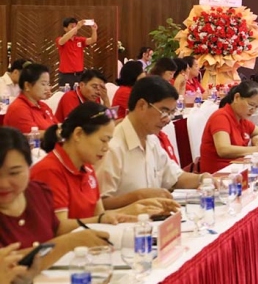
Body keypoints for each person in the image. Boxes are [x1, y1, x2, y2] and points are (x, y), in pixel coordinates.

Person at [30, 102, 176, 222]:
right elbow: (60, 228)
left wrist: (139, 207)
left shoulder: (87, 167)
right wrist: (126, 209)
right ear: (78, 134)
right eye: (103, 140)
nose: (106, 148)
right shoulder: (49, 170)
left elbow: (99, 215)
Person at [0, 127, 112, 274]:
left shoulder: (38, 192)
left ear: (29, 167)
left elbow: (55, 229)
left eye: (14, 173)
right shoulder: (50, 171)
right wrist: (69, 243)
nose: (3, 183)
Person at [99, 77, 213, 209]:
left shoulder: (152, 140)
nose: (168, 120)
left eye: (171, 113)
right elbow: (99, 205)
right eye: (164, 112)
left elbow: (175, 177)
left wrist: (202, 179)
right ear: (142, 105)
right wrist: (138, 197)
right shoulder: (111, 147)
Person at [199, 81, 258, 173]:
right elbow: (223, 150)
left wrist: (257, 138)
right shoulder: (221, 117)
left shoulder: (242, 119)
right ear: (237, 97)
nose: (253, 110)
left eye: (256, 107)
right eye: (251, 105)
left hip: (237, 167)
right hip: (220, 172)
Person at [4, 64, 58, 136]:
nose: (47, 88)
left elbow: (58, 127)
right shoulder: (18, 109)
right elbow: (32, 136)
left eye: (48, 84)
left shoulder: (43, 106)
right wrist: (57, 134)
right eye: (43, 84)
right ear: (27, 85)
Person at [56, 18, 97, 90]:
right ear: (65, 29)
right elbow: (61, 42)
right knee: (66, 94)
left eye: (75, 26)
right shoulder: (61, 39)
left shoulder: (79, 40)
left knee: (79, 93)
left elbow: (93, 40)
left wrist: (94, 30)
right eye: (72, 26)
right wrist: (77, 27)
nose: (75, 28)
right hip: (66, 74)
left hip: (79, 74)